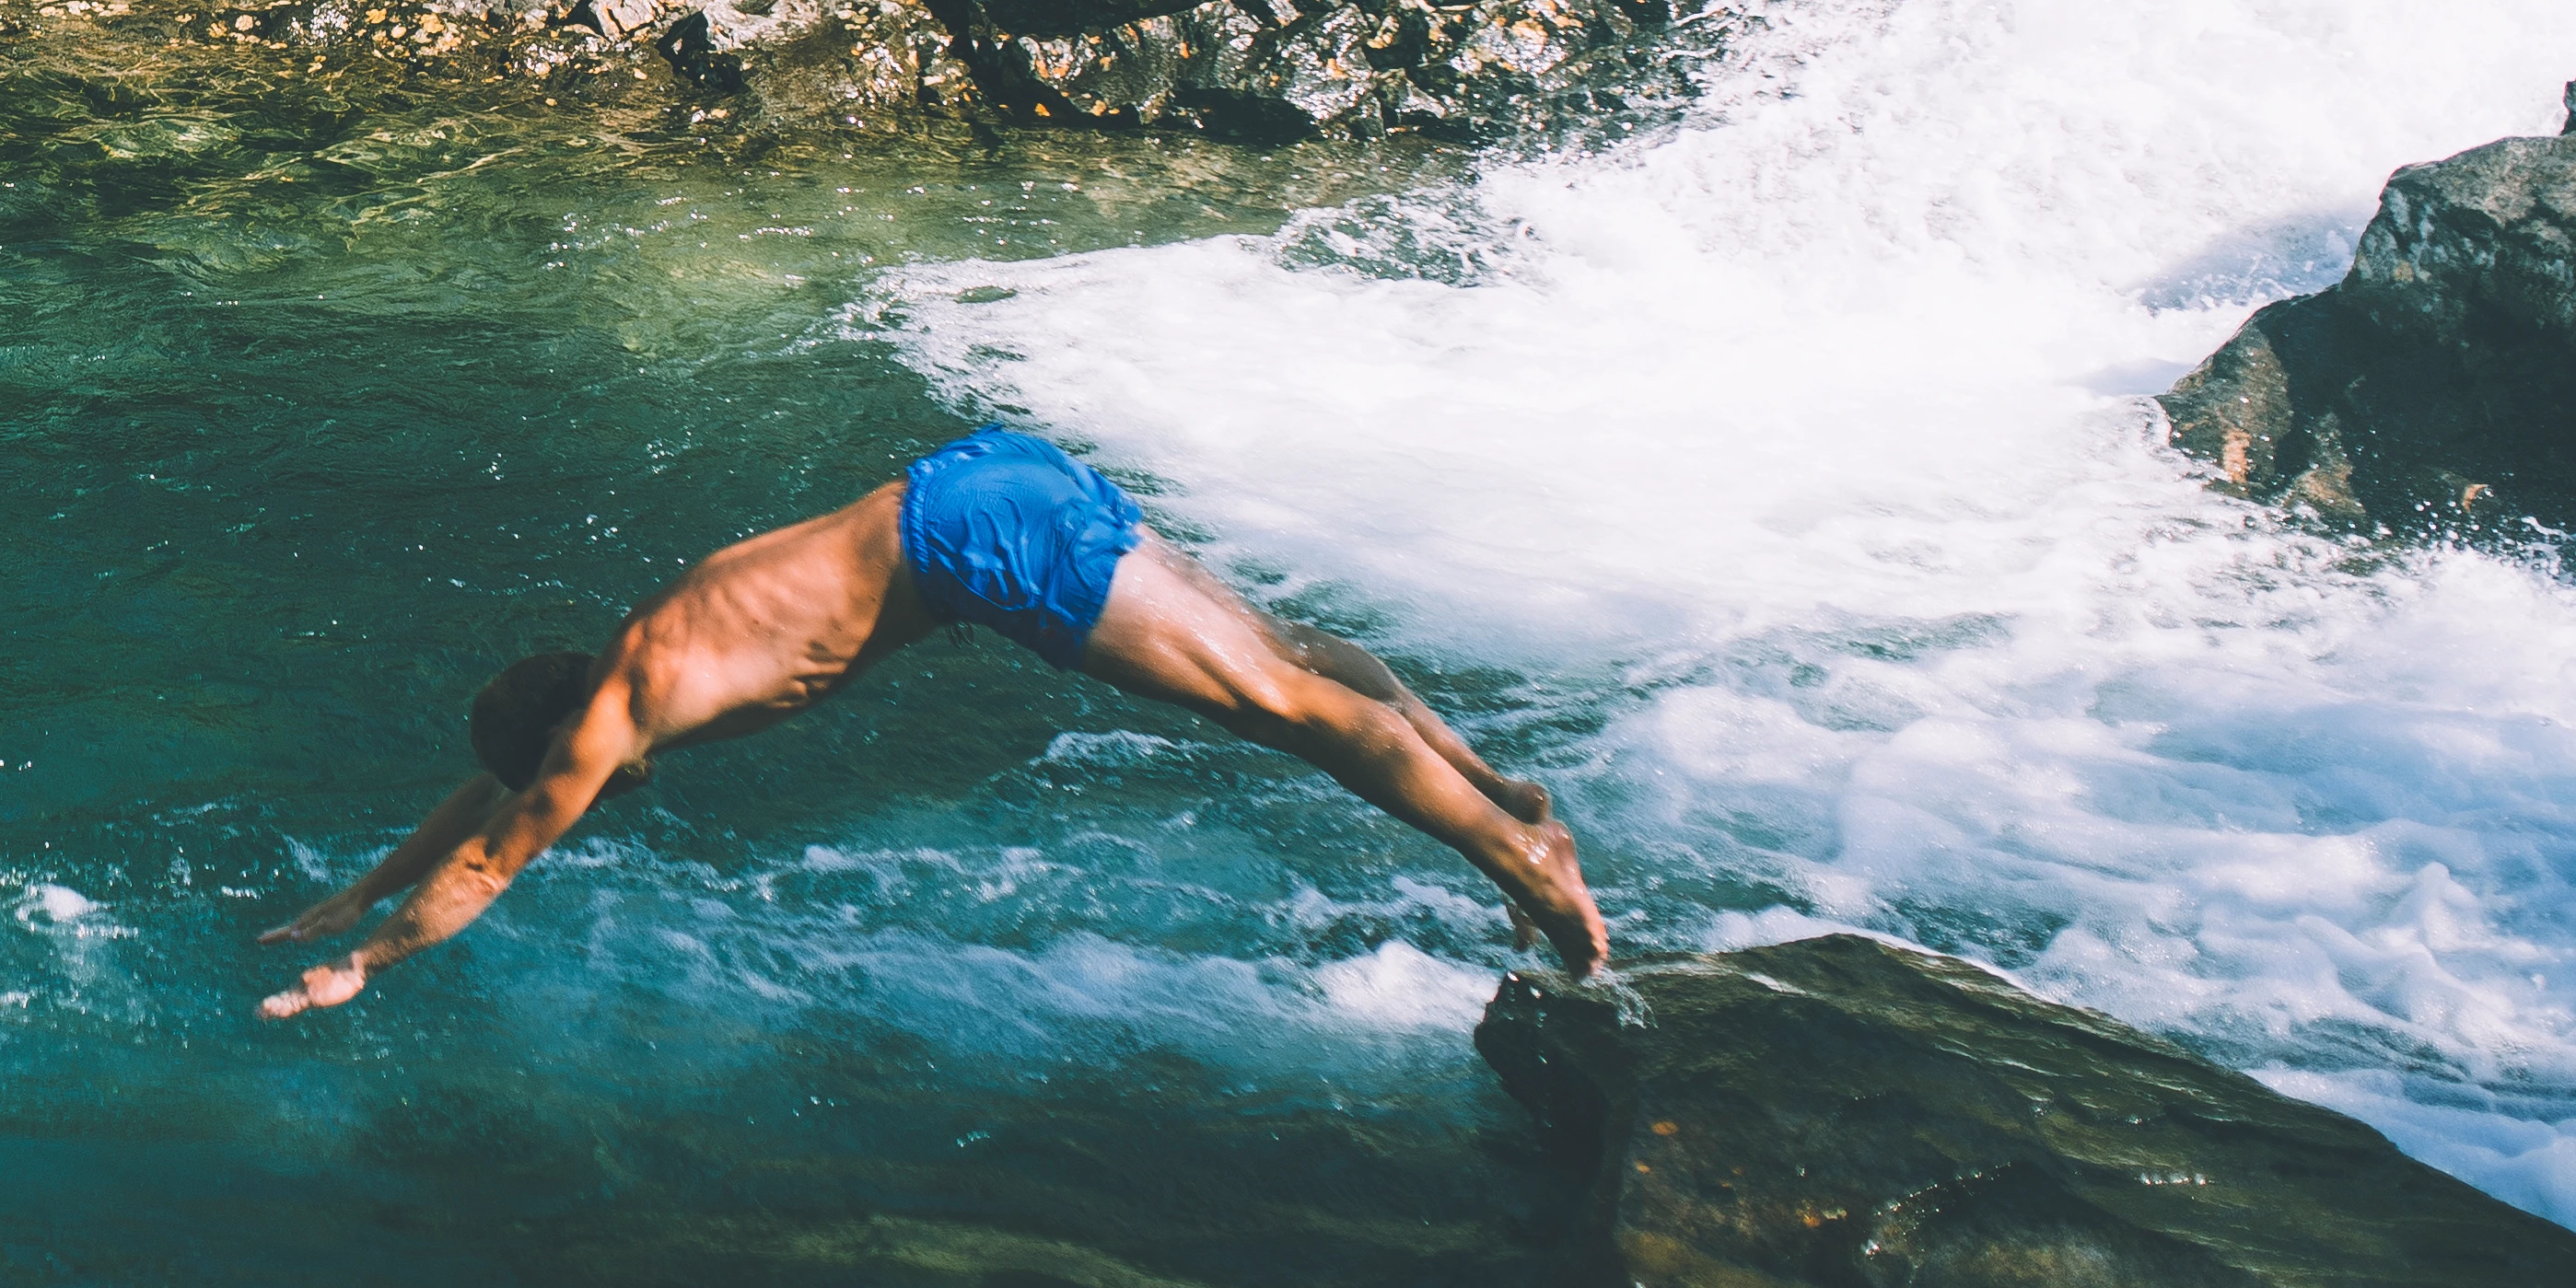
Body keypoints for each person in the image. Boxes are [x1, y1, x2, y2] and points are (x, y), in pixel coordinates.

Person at [256, 422, 1604, 1015]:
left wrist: (365, 967)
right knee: (1287, 659)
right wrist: (362, 889)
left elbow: (497, 854)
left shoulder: (620, 716)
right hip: (976, 482)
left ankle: (1513, 854)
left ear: (574, 753)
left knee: (1271, 703)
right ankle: (1508, 798)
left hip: (973, 542)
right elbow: (488, 806)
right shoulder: (624, 668)